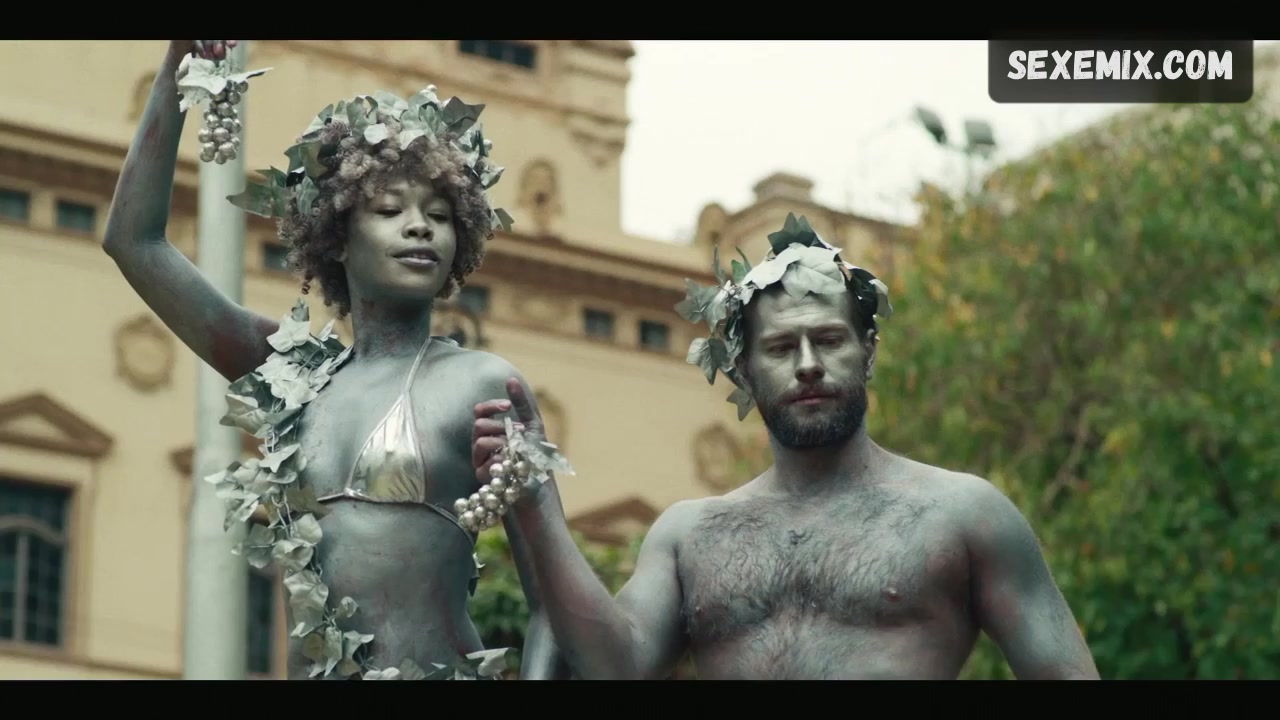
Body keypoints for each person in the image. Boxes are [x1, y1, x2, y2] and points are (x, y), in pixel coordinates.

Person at [103, 39, 571, 680]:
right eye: (389, 210)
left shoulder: (482, 383)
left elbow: (554, 605)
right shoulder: (291, 376)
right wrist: (178, 64)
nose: (420, 226)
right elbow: (134, 243)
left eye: (439, 214)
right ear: (338, 237)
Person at [472, 214, 1101, 680]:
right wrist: (536, 498)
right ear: (743, 372)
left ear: (868, 353)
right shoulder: (690, 535)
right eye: (779, 348)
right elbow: (614, 668)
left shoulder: (963, 514)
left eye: (828, 340)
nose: (807, 365)